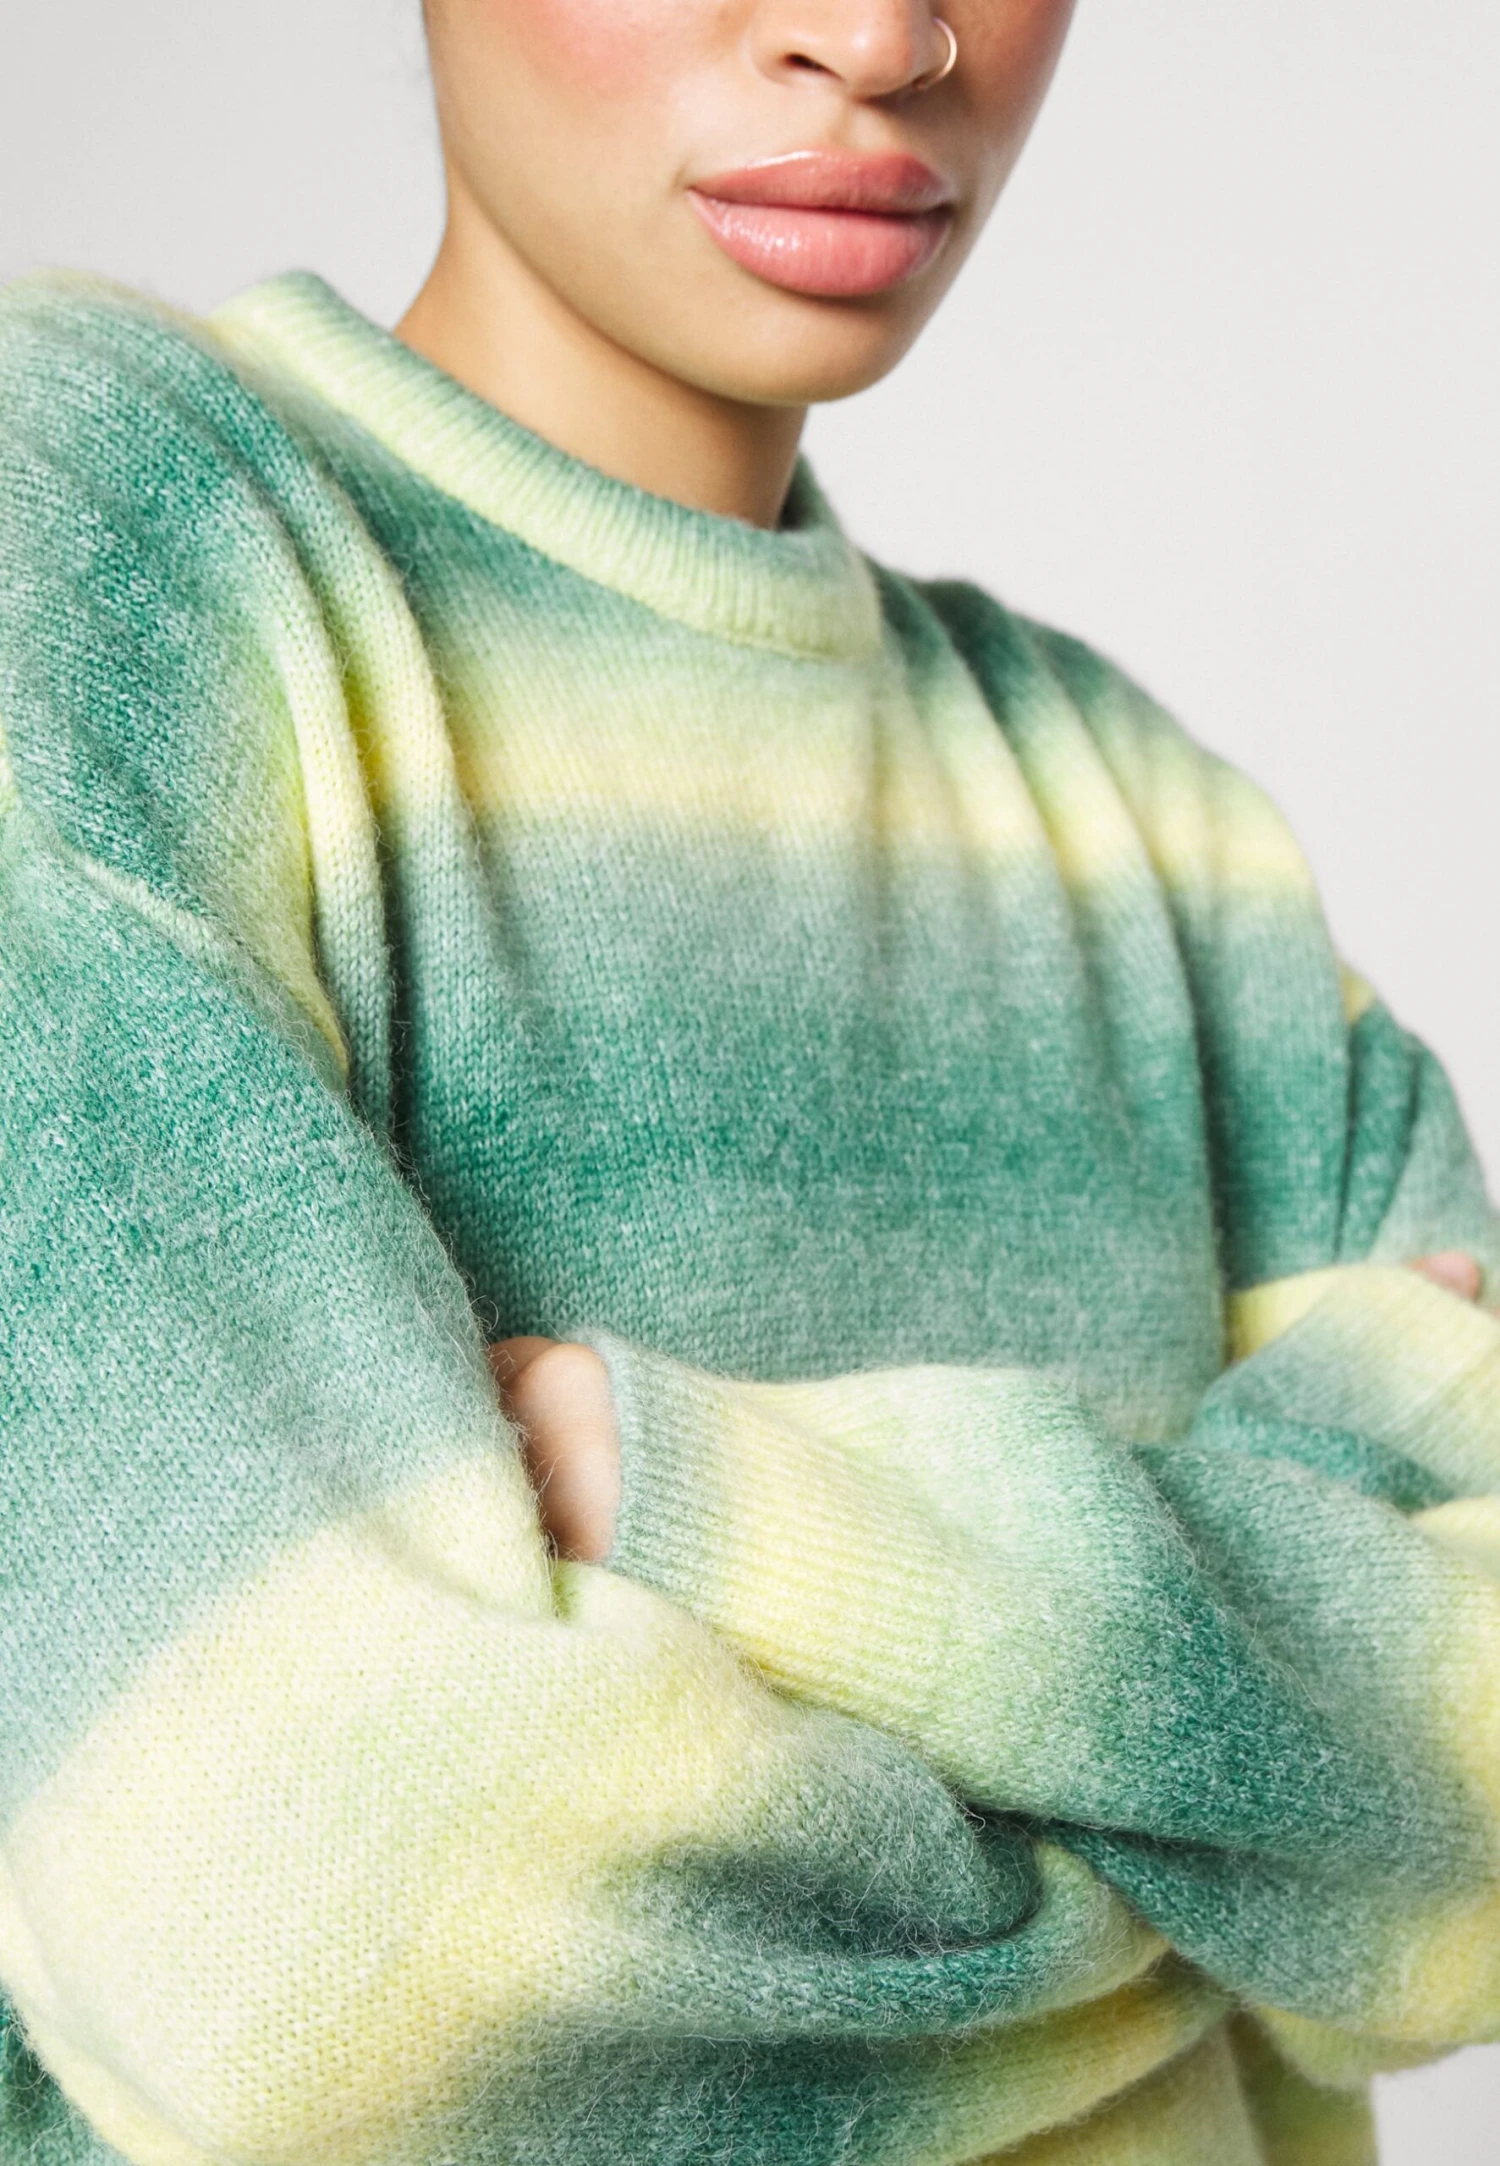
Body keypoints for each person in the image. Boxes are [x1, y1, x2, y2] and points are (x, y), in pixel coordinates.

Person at [0, 4, 1496, 2163]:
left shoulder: (1157, 830)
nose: (877, 36)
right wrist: (1295, 1835)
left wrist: (756, 1517)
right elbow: (341, 1955)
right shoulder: (104, 550)